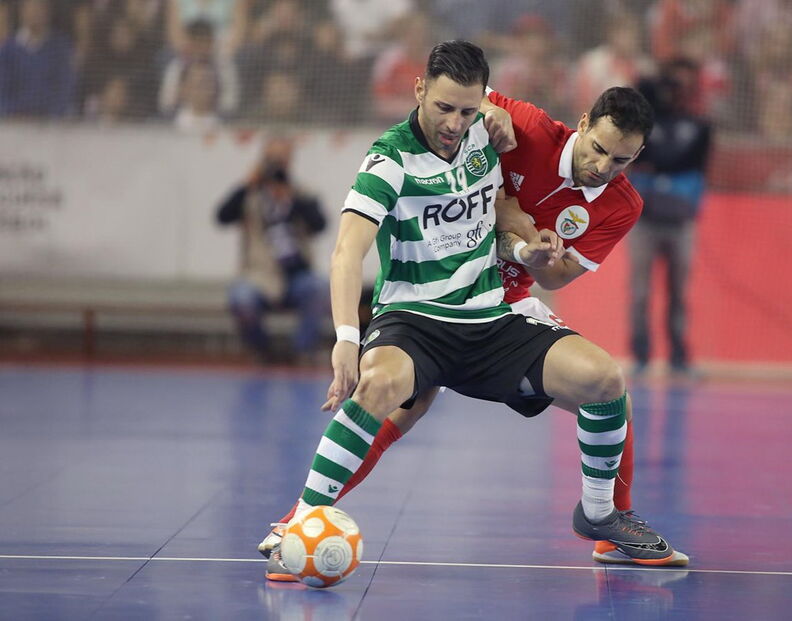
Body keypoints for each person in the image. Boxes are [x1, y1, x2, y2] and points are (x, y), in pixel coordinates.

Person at [261, 40, 686, 581]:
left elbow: (503, 222)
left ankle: (603, 517)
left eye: (466, 112)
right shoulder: (409, 154)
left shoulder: (488, 142)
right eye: (445, 108)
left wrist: (527, 248)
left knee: (607, 385)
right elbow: (347, 251)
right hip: (415, 317)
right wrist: (346, 336)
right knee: (387, 393)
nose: (455, 123)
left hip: (496, 309)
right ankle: (298, 524)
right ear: (420, 91)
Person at [627, 58, 712, 376]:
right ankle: (640, 356)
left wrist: (660, 173)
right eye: (670, 83)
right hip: (644, 222)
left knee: (679, 293)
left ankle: (679, 357)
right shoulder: (644, 126)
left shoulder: (699, 126)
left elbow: (688, 164)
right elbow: (644, 156)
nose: (674, 91)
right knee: (640, 293)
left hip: (679, 222)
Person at [216, 136, 328, 364]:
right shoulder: (250, 194)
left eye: (281, 158)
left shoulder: (301, 192)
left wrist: (293, 198)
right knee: (241, 298)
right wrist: (247, 183)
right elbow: (222, 217)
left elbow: (320, 225)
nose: (277, 164)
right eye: (272, 158)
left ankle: (301, 352)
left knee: (319, 288)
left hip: (296, 276)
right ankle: (262, 352)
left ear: (290, 161)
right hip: (258, 275)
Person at [0, 0, 75, 118]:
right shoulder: (8, 50)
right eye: (31, 8)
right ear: (22, 11)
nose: (35, 13)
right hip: (14, 121)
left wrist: (51, 114)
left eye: (40, 8)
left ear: (48, 12)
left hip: (50, 122)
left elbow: (65, 88)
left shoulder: (60, 48)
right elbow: (2, 91)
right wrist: (13, 113)